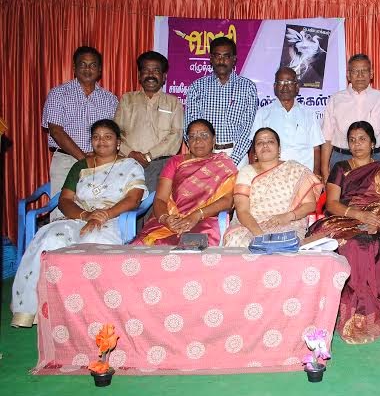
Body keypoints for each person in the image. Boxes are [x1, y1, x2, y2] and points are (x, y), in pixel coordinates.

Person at [11, 119, 146, 328]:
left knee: (93, 241)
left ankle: (91, 312)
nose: (101, 141)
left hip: (112, 219)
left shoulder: (131, 166)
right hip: (79, 217)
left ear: (118, 142)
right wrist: (85, 215)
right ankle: (33, 309)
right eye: (96, 137)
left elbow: (133, 199)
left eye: (108, 137)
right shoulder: (80, 166)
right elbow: (65, 200)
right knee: (50, 238)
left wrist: (104, 214)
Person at [306, 121, 380, 344]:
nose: (356, 144)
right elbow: (332, 203)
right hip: (346, 218)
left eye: (362, 139)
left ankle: (379, 311)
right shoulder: (340, 168)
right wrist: (360, 215)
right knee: (355, 245)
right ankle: (354, 312)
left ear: (373, 143)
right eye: (352, 140)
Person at [42, 46, 119, 219]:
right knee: (62, 213)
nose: (87, 69)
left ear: (100, 70)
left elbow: (114, 134)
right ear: (74, 68)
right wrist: (84, 159)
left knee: (98, 212)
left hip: (101, 164)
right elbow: (56, 131)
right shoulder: (58, 94)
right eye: (82, 64)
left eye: (92, 65)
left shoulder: (110, 99)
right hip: (66, 161)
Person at [134, 119, 237, 246]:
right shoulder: (176, 162)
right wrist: (166, 219)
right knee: (142, 245)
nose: (197, 140)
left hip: (205, 219)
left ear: (214, 139)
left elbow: (228, 201)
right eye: (192, 136)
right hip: (171, 220)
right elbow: (160, 198)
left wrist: (196, 215)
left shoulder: (224, 164)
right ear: (187, 142)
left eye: (204, 135)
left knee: (193, 246)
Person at [223, 127, 322, 247]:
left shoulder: (295, 169)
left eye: (270, 141)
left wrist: (288, 216)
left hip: (287, 223)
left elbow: (309, 204)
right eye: (260, 143)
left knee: (284, 243)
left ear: (279, 149)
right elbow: (242, 210)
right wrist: (260, 236)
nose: (265, 145)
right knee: (238, 241)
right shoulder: (246, 172)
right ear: (254, 152)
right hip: (250, 226)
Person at [321, 54, 380, 180]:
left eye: (364, 71)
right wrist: (324, 170)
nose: (360, 75)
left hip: (375, 159)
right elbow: (327, 137)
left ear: (371, 74)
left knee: (376, 193)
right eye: (355, 71)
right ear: (348, 75)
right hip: (342, 159)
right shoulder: (336, 99)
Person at [114, 51, 184, 192]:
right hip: (128, 163)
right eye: (146, 70)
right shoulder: (127, 100)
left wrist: (148, 156)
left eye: (156, 71)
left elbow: (176, 135)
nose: (150, 75)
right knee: (127, 202)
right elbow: (115, 133)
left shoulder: (173, 103)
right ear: (139, 75)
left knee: (156, 204)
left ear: (164, 77)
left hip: (161, 165)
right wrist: (130, 153)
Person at [184, 36, 258, 168]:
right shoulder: (197, 87)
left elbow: (248, 128)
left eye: (226, 56)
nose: (221, 60)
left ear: (234, 59)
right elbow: (190, 127)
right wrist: (203, 155)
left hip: (237, 155)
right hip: (204, 154)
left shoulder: (247, 87)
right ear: (211, 59)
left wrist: (232, 160)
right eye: (217, 56)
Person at [250, 67, 324, 175]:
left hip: (304, 175)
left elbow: (316, 148)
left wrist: (316, 174)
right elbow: (254, 149)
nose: (285, 87)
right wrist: (255, 174)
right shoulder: (262, 114)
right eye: (280, 82)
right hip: (272, 175)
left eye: (289, 82)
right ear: (275, 87)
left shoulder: (309, 114)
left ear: (297, 87)